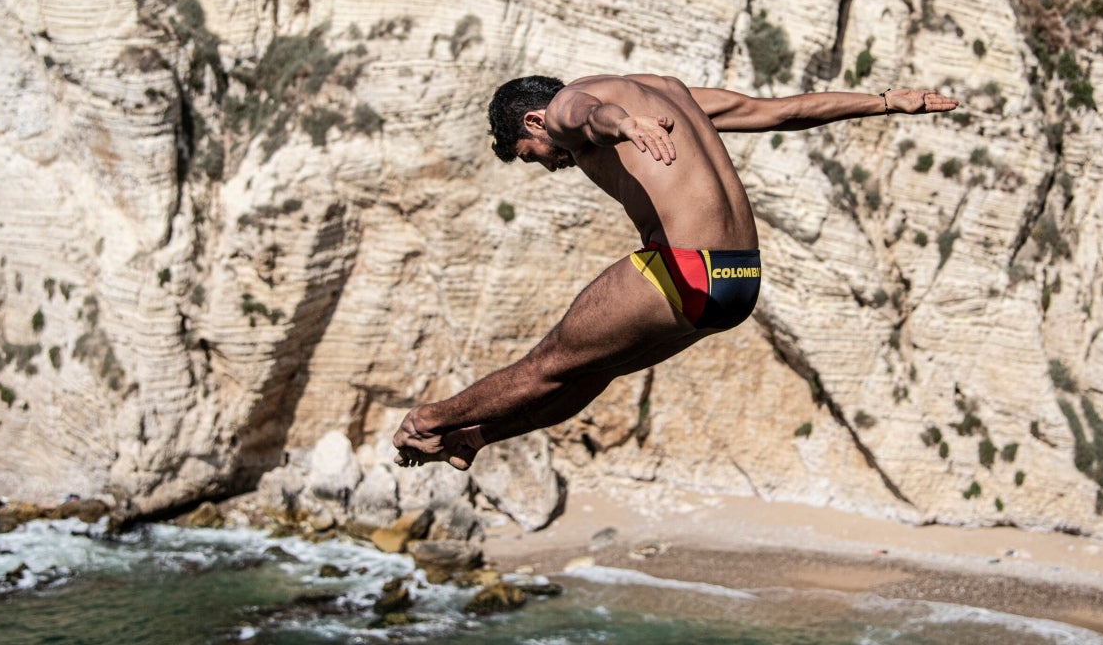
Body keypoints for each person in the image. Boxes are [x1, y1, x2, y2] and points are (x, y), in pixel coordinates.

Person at [393, 74, 960, 469]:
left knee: (549, 363)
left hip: (684, 270)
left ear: (535, 121)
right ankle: (474, 436)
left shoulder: (567, 108)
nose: (547, 163)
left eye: (530, 152)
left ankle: (427, 423)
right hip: (739, 285)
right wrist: (887, 101)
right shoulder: (670, 91)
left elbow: (586, 115)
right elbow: (781, 111)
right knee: (596, 370)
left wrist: (622, 125)